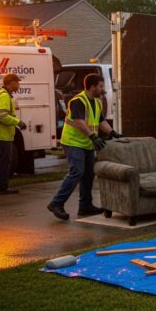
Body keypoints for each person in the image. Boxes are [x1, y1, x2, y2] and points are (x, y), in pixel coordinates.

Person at [47, 73, 120, 221]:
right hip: (73, 142)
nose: (102, 89)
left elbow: (100, 121)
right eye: (100, 86)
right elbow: (80, 122)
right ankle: (56, 203)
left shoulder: (97, 102)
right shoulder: (78, 101)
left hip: (86, 143)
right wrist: (93, 137)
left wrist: (112, 132)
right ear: (92, 87)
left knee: (88, 174)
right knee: (77, 172)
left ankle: (85, 206)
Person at [0, 73, 27, 194]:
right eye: (17, 82)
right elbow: (1, 115)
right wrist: (18, 122)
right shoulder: (4, 96)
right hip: (2, 134)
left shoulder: (1, 93)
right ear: (11, 83)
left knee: (2, 160)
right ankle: (2, 187)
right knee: (6, 161)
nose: (19, 85)